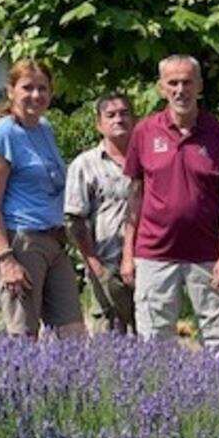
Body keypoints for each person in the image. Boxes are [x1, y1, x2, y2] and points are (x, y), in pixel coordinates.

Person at [120, 55, 219, 350]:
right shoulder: (144, 132)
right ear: (161, 87)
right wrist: (128, 253)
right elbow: (134, 197)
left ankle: (218, 397)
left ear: (199, 85)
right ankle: (157, 396)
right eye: (173, 83)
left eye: (187, 82)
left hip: (207, 255)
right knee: (153, 342)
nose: (180, 90)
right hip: (153, 254)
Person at [0, 59, 85, 338]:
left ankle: (71, 384)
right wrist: (6, 259)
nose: (36, 95)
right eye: (28, 87)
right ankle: (20, 383)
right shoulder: (2, 135)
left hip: (53, 240)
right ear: (10, 90)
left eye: (43, 88)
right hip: (21, 241)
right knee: (24, 335)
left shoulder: (44, 128)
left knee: (73, 333)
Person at [65, 92, 137, 335]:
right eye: (111, 115)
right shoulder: (84, 165)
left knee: (149, 344)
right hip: (105, 264)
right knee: (107, 341)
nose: (119, 119)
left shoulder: (147, 161)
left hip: (147, 264)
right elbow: (75, 221)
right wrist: (95, 266)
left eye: (124, 113)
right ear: (99, 123)